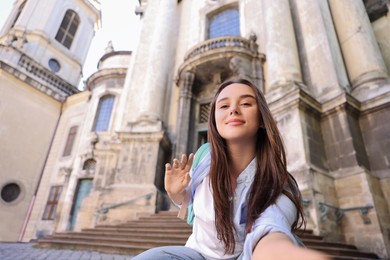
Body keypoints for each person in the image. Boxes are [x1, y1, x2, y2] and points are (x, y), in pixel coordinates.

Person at [133, 78, 329, 259]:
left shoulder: (279, 182)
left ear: (262, 118)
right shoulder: (203, 159)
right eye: (224, 105)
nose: (233, 110)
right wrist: (175, 193)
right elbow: (190, 203)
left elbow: (270, 233)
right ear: (214, 120)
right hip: (197, 254)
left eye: (245, 103)